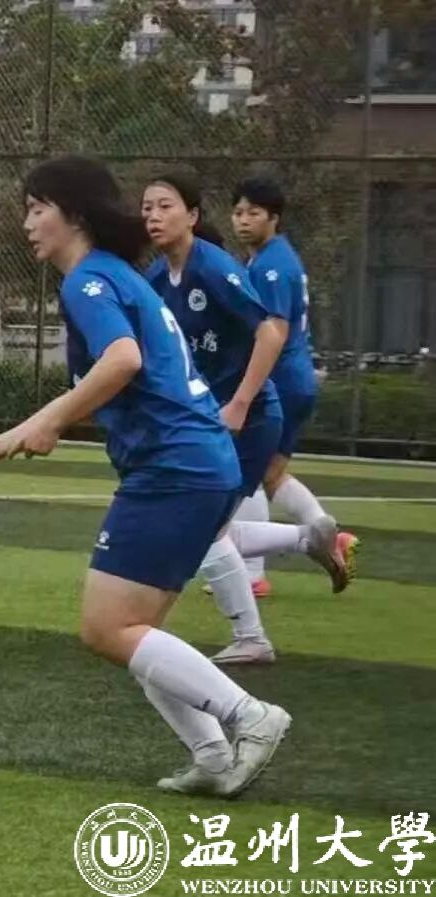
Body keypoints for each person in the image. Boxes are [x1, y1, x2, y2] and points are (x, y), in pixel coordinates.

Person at [0, 156, 289, 797]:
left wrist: (41, 425)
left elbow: (123, 360)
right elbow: (124, 373)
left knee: (108, 628)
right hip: (195, 462)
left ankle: (249, 717)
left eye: (36, 209)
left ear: (74, 215)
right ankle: (212, 755)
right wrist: (14, 438)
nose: (27, 224)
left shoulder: (88, 282)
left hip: (174, 468)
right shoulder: (116, 276)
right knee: (134, 630)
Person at [142, 173, 352, 665]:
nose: (152, 215)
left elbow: (270, 333)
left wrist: (239, 403)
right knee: (205, 522)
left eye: (165, 206)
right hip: (207, 422)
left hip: (249, 419)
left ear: (192, 215)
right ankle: (309, 538)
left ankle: (251, 637)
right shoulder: (156, 278)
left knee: (200, 524)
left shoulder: (216, 268)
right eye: (147, 206)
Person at [231, 177, 359, 588]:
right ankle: (329, 536)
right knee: (271, 476)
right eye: (238, 212)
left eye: (253, 213)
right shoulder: (275, 258)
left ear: (274, 217)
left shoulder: (270, 267)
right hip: (295, 379)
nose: (243, 220)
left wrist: (247, 389)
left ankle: (252, 575)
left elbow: (275, 332)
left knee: (248, 474)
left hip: (279, 381)